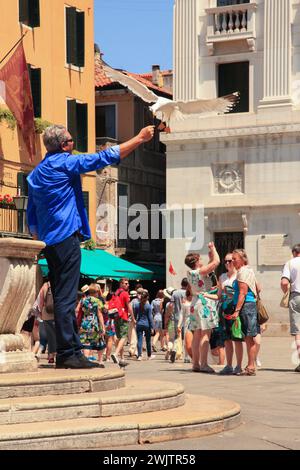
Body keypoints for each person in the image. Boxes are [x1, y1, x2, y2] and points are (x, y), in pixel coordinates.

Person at [27, 124, 154, 369]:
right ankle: (68, 355)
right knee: (65, 299)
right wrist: (138, 138)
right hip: (66, 237)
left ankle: (71, 351)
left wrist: (38, 234)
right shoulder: (66, 163)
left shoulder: (36, 173)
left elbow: (32, 215)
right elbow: (104, 157)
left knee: (64, 295)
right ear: (65, 145)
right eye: (72, 140)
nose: (74, 144)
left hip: (49, 242)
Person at [184, 242, 220, 373]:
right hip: (204, 303)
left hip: (195, 303)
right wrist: (213, 248)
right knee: (206, 334)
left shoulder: (190, 273)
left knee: (197, 334)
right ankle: (204, 364)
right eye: (200, 259)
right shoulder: (199, 271)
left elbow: (209, 266)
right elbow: (216, 262)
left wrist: (210, 257)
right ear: (197, 261)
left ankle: (196, 364)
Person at [225, 249, 260, 376]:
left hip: (246, 307)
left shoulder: (242, 272)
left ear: (242, 259)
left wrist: (237, 310)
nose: (232, 261)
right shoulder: (249, 270)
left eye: (235, 259)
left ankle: (251, 367)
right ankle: (251, 365)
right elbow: (258, 288)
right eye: (232, 259)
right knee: (249, 337)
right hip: (250, 306)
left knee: (249, 338)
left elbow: (243, 293)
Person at [218, 253, 243, 375]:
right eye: (226, 261)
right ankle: (228, 365)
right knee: (227, 339)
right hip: (224, 309)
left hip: (235, 308)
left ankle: (238, 366)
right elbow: (218, 295)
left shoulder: (240, 275)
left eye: (230, 261)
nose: (228, 263)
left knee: (237, 338)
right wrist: (206, 295)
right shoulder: (222, 277)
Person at [281, 243, 300, 372]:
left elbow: (284, 282)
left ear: (294, 252)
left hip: (296, 297)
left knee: (298, 333)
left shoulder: (290, 263)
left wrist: (286, 293)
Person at [77, 284, 106, 366]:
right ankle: (100, 361)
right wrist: (103, 326)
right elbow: (99, 314)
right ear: (96, 292)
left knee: (86, 343)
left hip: (85, 323)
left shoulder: (83, 300)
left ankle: (85, 360)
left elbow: (77, 310)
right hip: (94, 324)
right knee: (100, 341)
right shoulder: (97, 301)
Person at [111, 278, 132, 366]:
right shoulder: (125, 293)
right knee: (123, 337)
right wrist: (133, 318)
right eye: (126, 283)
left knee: (119, 338)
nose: (128, 285)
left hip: (116, 316)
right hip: (123, 316)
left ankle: (122, 358)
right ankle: (115, 354)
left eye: (127, 284)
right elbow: (129, 307)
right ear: (121, 284)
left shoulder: (116, 293)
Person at [133, 291, 155, 361]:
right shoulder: (148, 306)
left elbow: (135, 314)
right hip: (147, 325)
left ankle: (139, 355)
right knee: (148, 341)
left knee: (139, 340)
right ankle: (149, 355)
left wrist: (135, 322)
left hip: (139, 324)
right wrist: (152, 327)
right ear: (147, 297)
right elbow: (150, 317)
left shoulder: (137, 305)